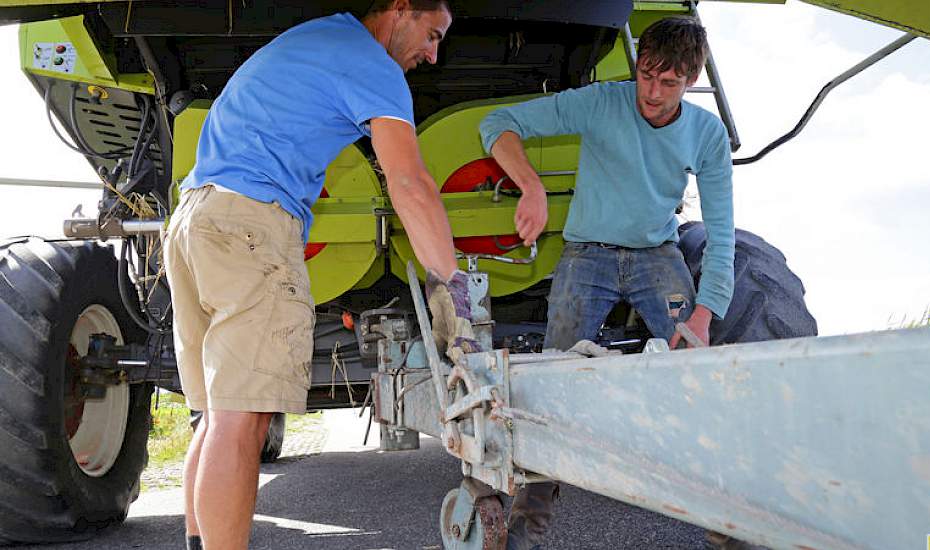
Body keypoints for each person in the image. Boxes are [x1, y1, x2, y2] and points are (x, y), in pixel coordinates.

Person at [161, 2, 477, 549]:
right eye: (432, 34)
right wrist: (453, 290)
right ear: (400, 9)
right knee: (243, 421)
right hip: (251, 223)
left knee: (217, 416)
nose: (433, 54)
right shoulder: (370, 64)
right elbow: (410, 184)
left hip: (195, 219)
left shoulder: (317, 39)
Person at [479, 16, 735, 549]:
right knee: (549, 383)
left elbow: (723, 234)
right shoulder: (602, 102)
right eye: (646, 75)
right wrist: (531, 186)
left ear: (691, 80)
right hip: (586, 256)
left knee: (700, 372)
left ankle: (727, 521)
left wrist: (705, 313)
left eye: (669, 83)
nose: (653, 92)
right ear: (638, 65)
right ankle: (528, 527)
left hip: (656, 255)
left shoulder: (707, 135)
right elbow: (498, 123)